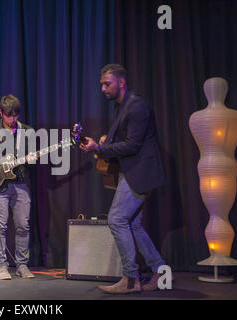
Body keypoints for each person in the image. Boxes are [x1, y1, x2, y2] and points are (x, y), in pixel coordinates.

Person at [80, 64, 166, 294]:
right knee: (133, 224)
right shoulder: (122, 106)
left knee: (117, 219)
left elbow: (133, 144)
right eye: (101, 84)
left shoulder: (136, 106)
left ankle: (130, 279)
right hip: (135, 171)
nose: (103, 88)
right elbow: (119, 140)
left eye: (107, 83)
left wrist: (99, 147)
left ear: (121, 82)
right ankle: (160, 271)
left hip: (141, 173)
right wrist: (97, 145)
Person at [0, 94, 37, 280]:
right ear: (1, 112)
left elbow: (31, 161)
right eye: (9, 115)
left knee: (23, 226)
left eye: (16, 116)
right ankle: (1, 266)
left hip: (20, 183)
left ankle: (22, 265)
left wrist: (32, 159)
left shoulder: (27, 131)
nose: (12, 120)